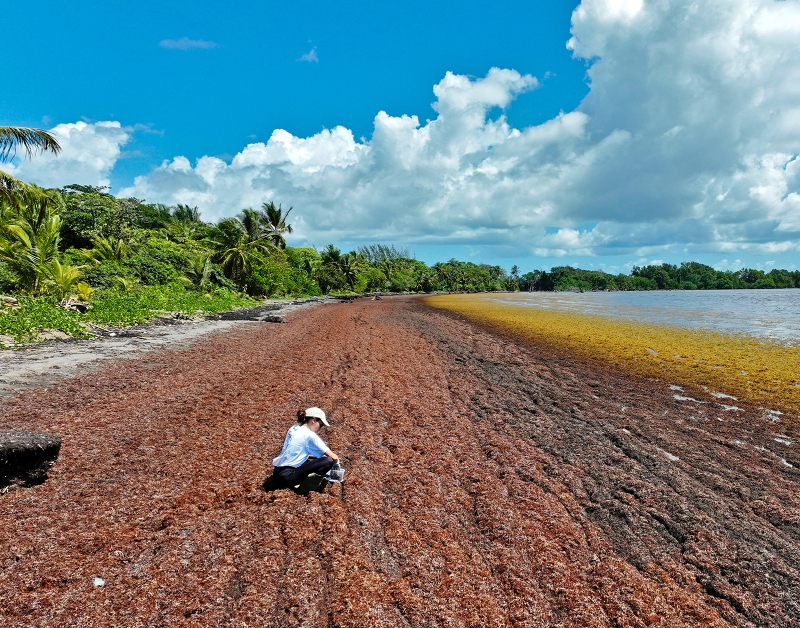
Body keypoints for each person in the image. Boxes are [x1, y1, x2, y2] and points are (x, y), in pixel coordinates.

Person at [266, 407, 339, 493]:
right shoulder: (310, 435)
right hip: (288, 477)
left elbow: (298, 451)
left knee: (316, 458)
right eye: (321, 425)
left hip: (278, 474)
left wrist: (318, 458)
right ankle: (307, 487)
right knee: (328, 461)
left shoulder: (294, 428)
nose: (320, 429)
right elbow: (334, 458)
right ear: (313, 420)